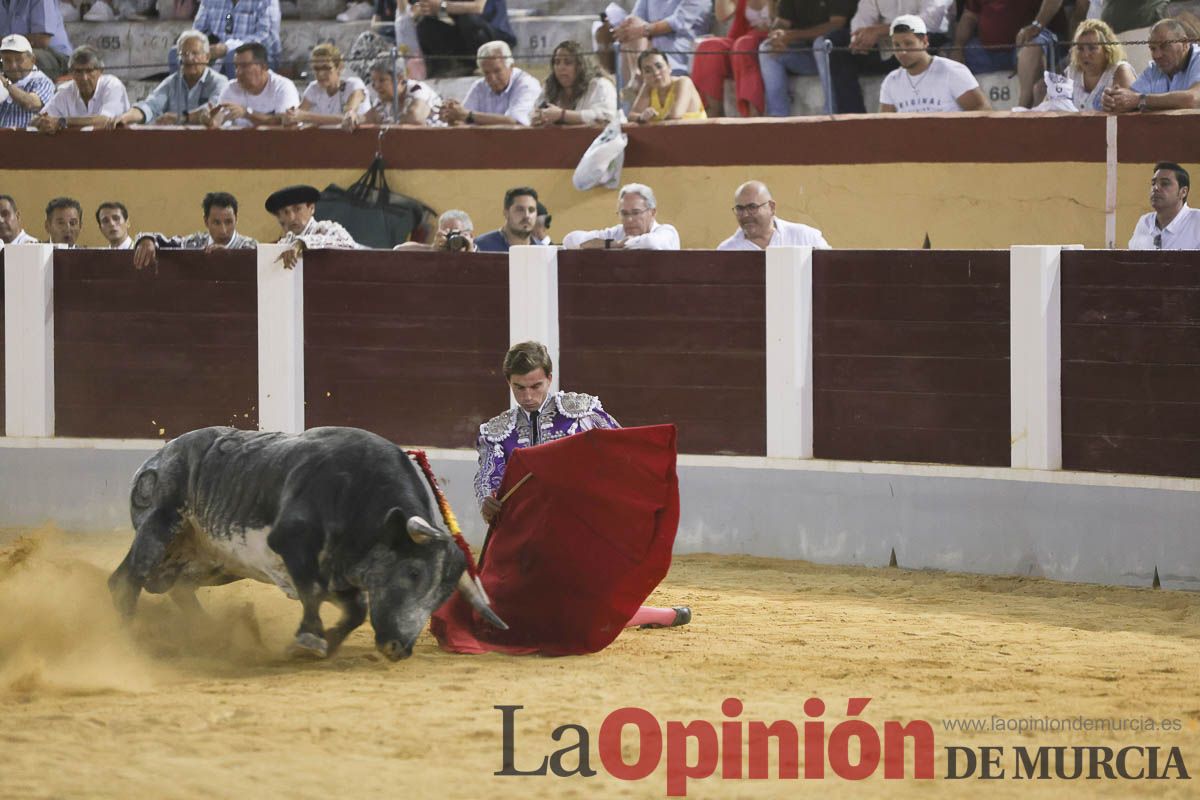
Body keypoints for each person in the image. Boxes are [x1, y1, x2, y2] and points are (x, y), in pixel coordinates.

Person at [474, 341, 691, 630]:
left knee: (569, 613)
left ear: (549, 378)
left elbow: (622, 454)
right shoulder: (496, 432)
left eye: (535, 386)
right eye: (519, 388)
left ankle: (658, 615)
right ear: (508, 383)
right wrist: (487, 503)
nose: (527, 396)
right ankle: (656, 615)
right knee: (506, 616)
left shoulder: (580, 413)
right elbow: (487, 479)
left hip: (579, 532)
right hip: (524, 541)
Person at [820, 0, 954, 114]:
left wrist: (880, 30)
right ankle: (853, 118)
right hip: (886, 45)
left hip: (926, 42)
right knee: (836, 42)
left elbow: (930, 21)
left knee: (916, 39)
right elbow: (862, 20)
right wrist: (860, 39)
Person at [948, 0, 1066, 108]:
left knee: (1033, 47)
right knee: (945, 58)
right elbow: (970, 15)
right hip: (986, 50)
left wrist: (1037, 25)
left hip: (1030, 41)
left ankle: (1022, 114)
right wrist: (958, 47)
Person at [879, 15, 991, 113]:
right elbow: (885, 125)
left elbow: (982, 110)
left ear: (924, 42)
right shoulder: (891, 81)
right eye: (897, 45)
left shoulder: (952, 71)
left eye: (908, 44)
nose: (902, 52)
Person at [758, 0, 850, 117]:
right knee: (766, 48)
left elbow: (837, 24)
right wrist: (777, 35)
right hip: (806, 55)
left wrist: (793, 35)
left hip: (837, 56)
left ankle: (831, 113)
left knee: (820, 43)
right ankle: (778, 117)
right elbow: (782, 22)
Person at [117, 30, 228, 127]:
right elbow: (151, 106)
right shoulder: (171, 82)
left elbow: (212, 111)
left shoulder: (219, 82)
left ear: (207, 57)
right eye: (184, 54)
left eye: (195, 53)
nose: (189, 58)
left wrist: (180, 118)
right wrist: (126, 117)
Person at [133, 191, 257, 271]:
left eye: (228, 222)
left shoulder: (251, 247)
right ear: (206, 221)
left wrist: (231, 256)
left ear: (237, 219)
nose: (223, 230)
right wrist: (147, 240)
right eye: (216, 222)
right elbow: (163, 241)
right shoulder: (194, 243)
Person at [610, 0, 712, 92]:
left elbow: (677, 23)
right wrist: (629, 29)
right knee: (631, 23)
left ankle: (638, 81)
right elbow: (635, 19)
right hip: (648, 46)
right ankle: (637, 79)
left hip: (678, 53)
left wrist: (643, 30)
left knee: (634, 32)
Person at [1102, 18, 1200, 113]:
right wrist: (1113, 100)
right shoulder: (1154, 70)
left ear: (1184, 43)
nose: (1157, 55)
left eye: (1164, 46)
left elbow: (1193, 99)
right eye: (1153, 49)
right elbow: (1130, 98)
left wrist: (1141, 100)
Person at [693, 0, 771, 117]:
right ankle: (712, 114)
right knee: (708, 46)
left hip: (771, 38)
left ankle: (753, 114)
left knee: (743, 46)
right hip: (744, 37)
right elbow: (722, 15)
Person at [440, 40, 539, 126]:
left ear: (511, 66)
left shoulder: (527, 84)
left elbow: (515, 122)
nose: (492, 78)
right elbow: (464, 120)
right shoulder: (479, 86)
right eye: (486, 73)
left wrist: (468, 116)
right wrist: (453, 117)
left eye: (497, 71)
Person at [33, 45, 130, 133]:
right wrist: (44, 122)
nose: (84, 78)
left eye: (89, 71)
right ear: (71, 73)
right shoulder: (66, 91)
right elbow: (37, 119)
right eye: (78, 71)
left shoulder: (112, 85)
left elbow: (104, 120)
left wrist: (62, 121)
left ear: (100, 71)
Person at [411, 0, 516, 78]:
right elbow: (442, 10)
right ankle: (446, 67)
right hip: (466, 36)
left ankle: (479, 66)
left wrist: (441, 6)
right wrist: (424, 8)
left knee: (467, 18)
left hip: (492, 37)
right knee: (426, 25)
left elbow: (477, 7)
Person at [562, 183, 681, 250]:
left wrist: (620, 245)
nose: (629, 219)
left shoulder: (667, 232)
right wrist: (610, 244)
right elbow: (570, 239)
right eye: (624, 213)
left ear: (652, 212)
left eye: (636, 212)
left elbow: (652, 243)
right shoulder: (617, 234)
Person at [267, 184, 358, 270]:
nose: (291, 218)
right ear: (279, 217)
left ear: (311, 208)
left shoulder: (326, 228)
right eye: (286, 212)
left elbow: (348, 244)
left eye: (297, 209)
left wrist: (301, 243)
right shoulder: (284, 242)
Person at [718, 180, 831, 250]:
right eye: (740, 209)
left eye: (752, 207)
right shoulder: (727, 250)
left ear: (771, 207)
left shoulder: (805, 238)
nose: (745, 214)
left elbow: (832, 276)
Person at [210, 42, 299, 128]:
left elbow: (286, 122)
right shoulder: (230, 88)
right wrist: (211, 119)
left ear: (263, 67)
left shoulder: (283, 87)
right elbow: (219, 120)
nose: (238, 72)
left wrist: (247, 114)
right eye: (236, 66)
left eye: (244, 66)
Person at [531, 40, 617, 127]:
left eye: (568, 62)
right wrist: (537, 117)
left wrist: (562, 115)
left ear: (581, 66)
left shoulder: (600, 85)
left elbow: (605, 117)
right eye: (557, 62)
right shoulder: (549, 86)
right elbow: (533, 114)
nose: (561, 67)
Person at [287, 43, 370, 128]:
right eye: (316, 69)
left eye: (326, 68)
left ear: (339, 68)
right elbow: (296, 115)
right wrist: (290, 116)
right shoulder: (313, 88)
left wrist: (308, 117)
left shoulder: (354, 85)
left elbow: (348, 117)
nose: (320, 73)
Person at [192, 0, 278, 79]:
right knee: (182, 51)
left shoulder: (266, 1)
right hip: (216, 56)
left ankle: (235, 95)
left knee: (234, 57)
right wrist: (201, 48)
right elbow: (197, 31)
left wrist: (228, 48)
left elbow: (267, 36)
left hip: (257, 55)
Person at [1063, 18, 1135, 111]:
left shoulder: (1120, 70)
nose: (1085, 54)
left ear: (1107, 49)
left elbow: (1131, 112)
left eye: (1092, 48)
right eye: (1080, 49)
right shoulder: (1071, 72)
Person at [1128, 162, 1200, 250]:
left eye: (1165, 183)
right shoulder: (1144, 223)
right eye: (1153, 183)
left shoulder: (1197, 221)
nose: (1155, 188)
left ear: (1183, 192)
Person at [361, 56, 443, 126]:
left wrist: (388, 123)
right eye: (374, 82)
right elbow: (369, 117)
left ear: (400, 79)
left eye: (382, 80)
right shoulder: (384, 98)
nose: (376, 86)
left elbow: (415, 117)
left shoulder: (417, 89)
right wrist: (353, 117)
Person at [630, 47, 706, 123]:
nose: (656, 73)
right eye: (648, 71)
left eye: (659, 66)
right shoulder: (648, 87)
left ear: (669, 67)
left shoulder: (684, 82)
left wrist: (651, 120)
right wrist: (642, 117)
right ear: (643, 76)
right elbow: (631, 116)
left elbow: (675, 115)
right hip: (667, 134)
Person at [0, 0, 71, 79]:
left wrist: (6, 42)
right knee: (10, 58)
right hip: (9, 51)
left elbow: (42, 40)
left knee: (22, 59)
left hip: (54, 55)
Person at [0, 33, 54, 129]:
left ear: (32, 59)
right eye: (7, 60)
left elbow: (32, 103)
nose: (13, 66)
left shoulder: (42, 81)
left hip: (27, 140)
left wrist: (7, 85)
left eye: (18, 60)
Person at [474, 186, 537, 252]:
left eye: (531, 210)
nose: (527, 215)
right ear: (506, 213)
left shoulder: (543, 251)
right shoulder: (481, 246)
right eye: (520, 209)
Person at [394, 208, 477, 251]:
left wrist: (471, 254)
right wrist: (432, 249)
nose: (451, 238)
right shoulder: (439, 251)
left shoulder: (486, 252)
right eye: (447, 234)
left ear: (470, 235)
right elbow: (398, 250)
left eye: (456, 233)